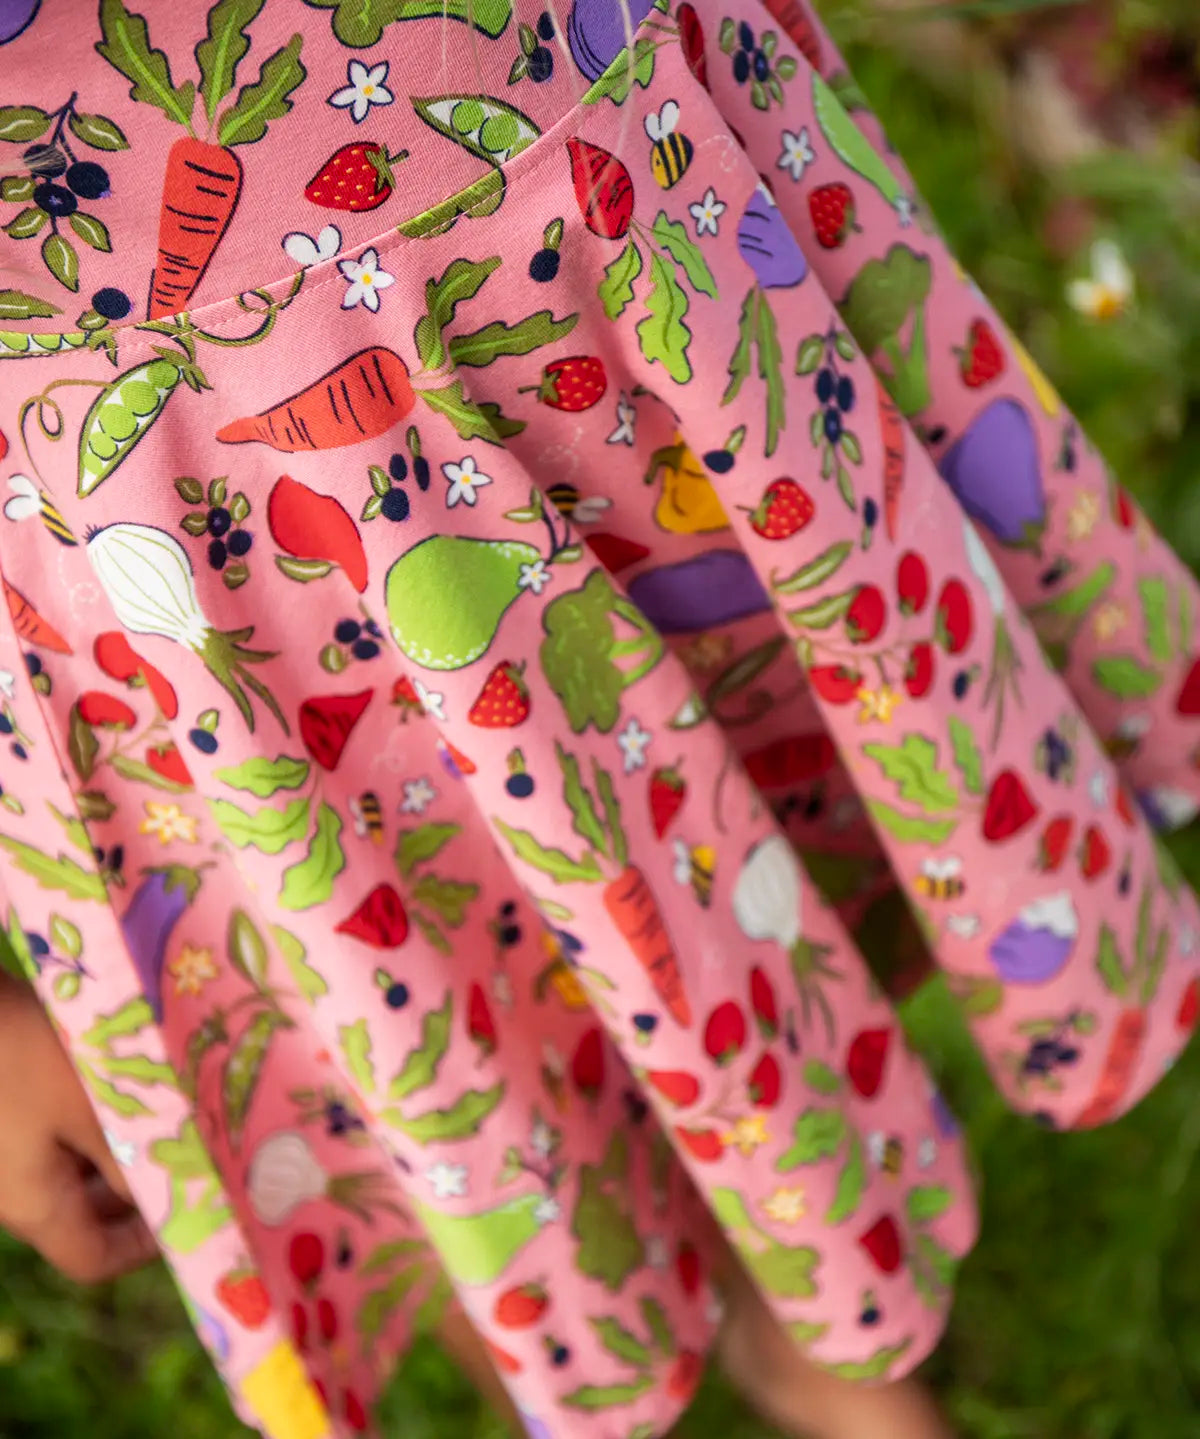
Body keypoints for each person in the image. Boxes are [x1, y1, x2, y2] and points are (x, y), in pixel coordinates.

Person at [0, 3, 1197, 1438]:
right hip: (179, 481)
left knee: (748, 827)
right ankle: (774, 1317)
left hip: (595, 174)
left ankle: (808, 1308)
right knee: (434, 988)